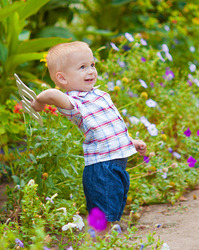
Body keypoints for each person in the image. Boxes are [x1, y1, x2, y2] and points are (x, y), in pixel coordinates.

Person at [31, 41, 147, 234]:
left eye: (92, 65)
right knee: (102, 213)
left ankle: (101, 241)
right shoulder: (73, 102)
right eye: (82, 67)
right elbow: (51, 93)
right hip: (101, 167)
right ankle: (96, 243)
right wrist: (38, 103)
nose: (91, 71)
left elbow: (110, 125)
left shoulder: (99, 95)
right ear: (62, 78)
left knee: (111, 209)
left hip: (116, 163)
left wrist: (130, 141)